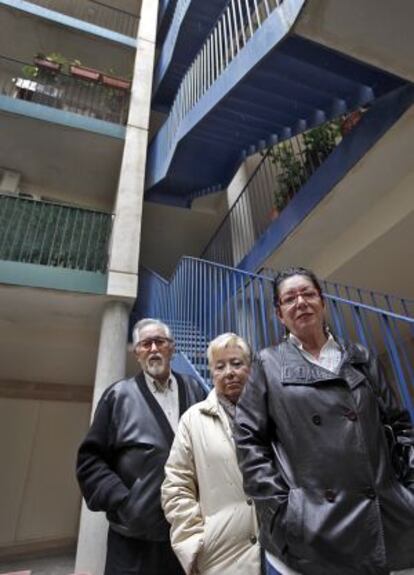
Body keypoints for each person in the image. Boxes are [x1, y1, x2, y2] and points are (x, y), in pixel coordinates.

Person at [234, 267, 414, 575]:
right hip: (315, 527)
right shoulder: (267, 364)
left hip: (384, 519)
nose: (300, 302)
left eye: (308, 294)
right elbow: (249, 441)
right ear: (280, 314)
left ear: (323, 303)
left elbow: (400, 426)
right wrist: (284, 512)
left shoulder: (361, 356)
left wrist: (409, 487)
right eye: (289, 298)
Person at [76, 318, 207, 575]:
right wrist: (123, 501)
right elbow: (90, 460)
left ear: (172, 348)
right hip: (133, 537)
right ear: (136, 353)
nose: (154, 349)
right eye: (146, 344)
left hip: (186, 530)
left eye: (160, 342)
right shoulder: (118, 396)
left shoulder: (195, 390)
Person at [161, 333, 262, 575]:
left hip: (278, 551)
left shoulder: (272, 412)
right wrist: (193, 543)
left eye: (237, 364)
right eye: (220, 366)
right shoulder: (193, 420)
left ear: (249, 368)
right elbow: (176, 486)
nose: (229, 372)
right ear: (212, 372)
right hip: (221, 557)